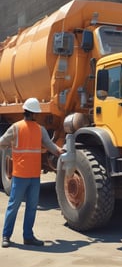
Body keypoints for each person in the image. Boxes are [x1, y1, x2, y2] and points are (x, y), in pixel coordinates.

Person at [1, 98, 63, 248]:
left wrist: (7, 146)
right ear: (34, 113)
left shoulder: (15, 128)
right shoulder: (39, 129)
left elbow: (2, 142)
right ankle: (26, 236)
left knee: (14, 206)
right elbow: (49, 145)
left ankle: (7, 237)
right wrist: (59, 151)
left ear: (24, 111)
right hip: (32, 176)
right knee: (30, 206)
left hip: (22, 175)